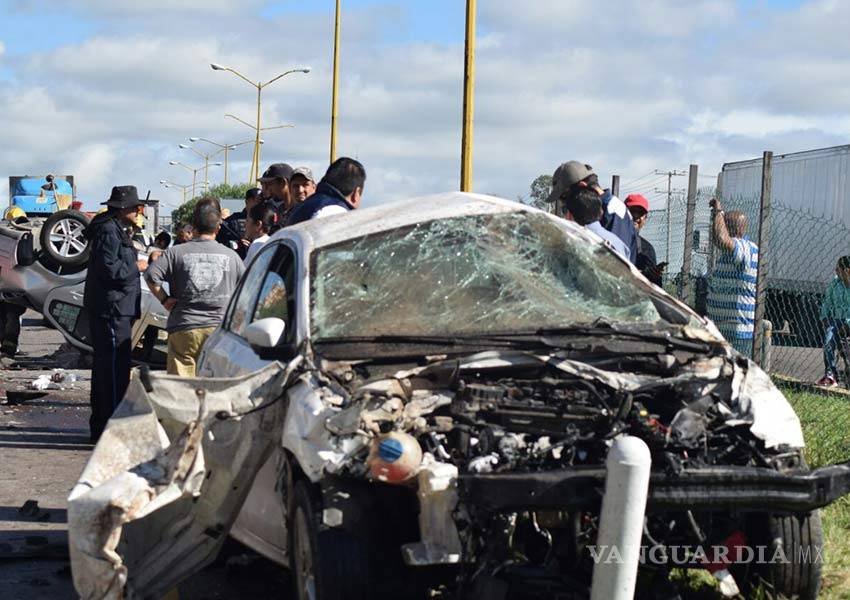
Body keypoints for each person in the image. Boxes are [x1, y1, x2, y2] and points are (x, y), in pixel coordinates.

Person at [145, 197, 245, 376]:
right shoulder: (232, 257)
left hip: (184, 327)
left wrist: (165, 300)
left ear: (193, 227)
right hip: (219, 332)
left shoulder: (175, 253)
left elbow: (151, 275)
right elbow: (246, 291)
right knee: (214, 387)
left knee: (182, 389)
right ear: (218, 228)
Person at [83, 185, 146, 442]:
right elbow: (110, 270)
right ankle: (108, 429)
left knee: (114, 369)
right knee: (111, 372)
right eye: (135, 207)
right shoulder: (109, 231)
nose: (139, 211)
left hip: (117, 309)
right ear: (123, 209)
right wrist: (138, 265)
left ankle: (106, 427)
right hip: (112, 309)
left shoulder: (116, 229)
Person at [547, 161, 637, 263]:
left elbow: (615, 263)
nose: (565, 204)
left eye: (565, 197)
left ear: (582, 186)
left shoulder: (612, 211)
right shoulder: (607, 207)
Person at [706, 198, 758, 356]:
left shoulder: (744, 248)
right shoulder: (730, 253)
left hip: (737, 335)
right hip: (721, 331)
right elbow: (719, 239)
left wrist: (718, 212)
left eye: (721, 224)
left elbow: (721, 238)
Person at [286, 157, 365, 226]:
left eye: (305, 185)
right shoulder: (334, 214)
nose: (300, 190)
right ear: (356, 193)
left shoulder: (305, 208)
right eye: (296, 186)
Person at [562, 187, 630, 260]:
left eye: (564, 210)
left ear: (569, 215)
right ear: (601, 213)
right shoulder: (620, 245)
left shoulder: (571, 242)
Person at [815, 256, 850, 387]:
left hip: (848, 321)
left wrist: (847, 324)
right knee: (828, 341)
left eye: (838, 269)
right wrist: (824, 317)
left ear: (846, 271)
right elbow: (827, 302)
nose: (835, 271)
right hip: (836, 321)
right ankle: (831, 374)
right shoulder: (835, 283)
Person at [624, 193, 665, 285]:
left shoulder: (647, 249)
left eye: (640, 213)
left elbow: (655, 287)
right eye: (632, 211)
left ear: (645, 219)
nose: (636, 216)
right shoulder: (613, 238)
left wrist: (653, 275)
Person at [217, 187, 262, 259]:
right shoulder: (232, 221)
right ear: (247, 202)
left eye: (261, 201)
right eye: (256, 200)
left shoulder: (265, 221)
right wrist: (235, 244)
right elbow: (219, 241)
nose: (259, 204)